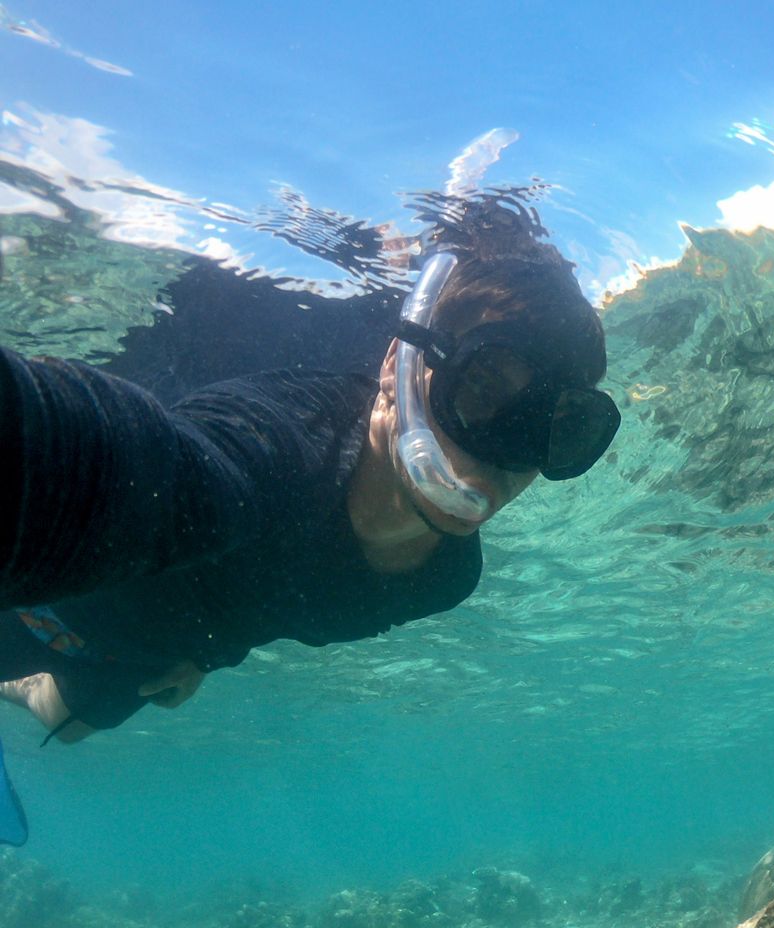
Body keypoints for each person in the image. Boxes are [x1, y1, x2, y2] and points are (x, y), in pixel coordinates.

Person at [0, 196, 621, 844]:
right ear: (396, 366)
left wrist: (211, 656)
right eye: (482, 389)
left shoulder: (447, 577)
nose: (500, 462)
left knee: (67, 725)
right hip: (43, 606)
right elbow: (150, 469)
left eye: (554, 430)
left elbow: (278, 597)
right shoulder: (281, 444)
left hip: (148, 658)